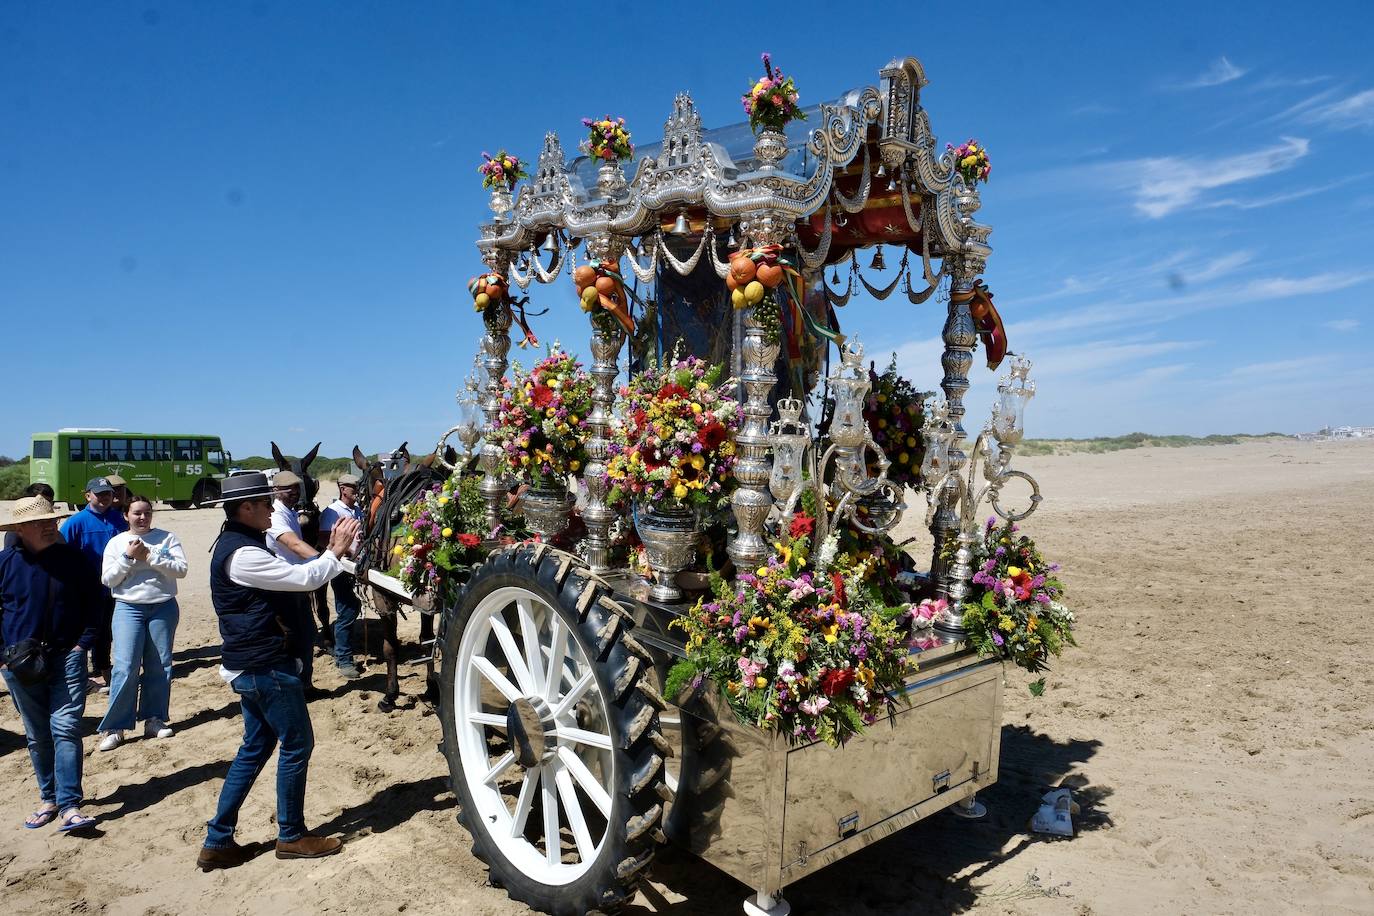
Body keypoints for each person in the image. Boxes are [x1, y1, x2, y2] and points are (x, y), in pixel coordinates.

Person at [197, 472, 360, 870]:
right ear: (246, 508)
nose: (274, 509)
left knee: (255, 747)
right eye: (266, 503)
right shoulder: (243, 553)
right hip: (264, 665)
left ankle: (218, 839)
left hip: (252, 663)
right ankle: (291, 835)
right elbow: (305, 578)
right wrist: (335, 550)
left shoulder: (240, 543)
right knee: (297, 744)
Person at [0, 497, 100, 834]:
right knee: (38, 735)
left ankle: (70, 805)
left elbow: (96, 605)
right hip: (19, 664)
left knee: (66, 728)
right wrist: (3, 656)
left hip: (66, 657)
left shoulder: (75, 560)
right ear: (18, 529)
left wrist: (81, 645)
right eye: (39, 522)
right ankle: (49, 799)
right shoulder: (5, 563)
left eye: (51, 520)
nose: (48, 526)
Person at [96, 495, 187, 751]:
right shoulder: (116, 543)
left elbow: (180, 570)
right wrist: (128, 557)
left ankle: (154, 718)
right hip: (128, 608)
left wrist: (150, 557)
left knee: (160, 664)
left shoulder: (166, 538)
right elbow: (108, 580)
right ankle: (115, 727)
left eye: (147, 512)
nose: (143, 517)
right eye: (136, 513)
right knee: (125, 666)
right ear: (126, 515)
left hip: (163, 606)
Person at [59, 477, 128, 692]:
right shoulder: (75, 522)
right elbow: (62, 555)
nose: (105, 497)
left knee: (107, 630)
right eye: (99, 493)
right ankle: (85, 674)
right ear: (88, 495)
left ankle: (104, 670)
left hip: (115, 586)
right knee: (87, 631)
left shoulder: (119, 519)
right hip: (86, 589)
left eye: (108, 493)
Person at [264, 471, 320, 686]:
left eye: (297, 488)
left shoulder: (291, 512)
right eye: (288, 489)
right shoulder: (276, 515)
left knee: (307, 634)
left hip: (297, 585)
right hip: (285, 588)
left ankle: (305, 685)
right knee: (294, 638)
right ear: (275, 490)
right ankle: (294, 686)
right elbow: (294, 544)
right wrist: (326, 561)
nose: (294, 493)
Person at [318, 474, 364, 679]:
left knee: (350, 608)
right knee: (347, 609)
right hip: (342, 567)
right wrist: (343, 551)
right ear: (342, 488)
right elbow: (322, 538)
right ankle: (344, 659)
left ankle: (342, 653)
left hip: (356, 564)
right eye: (353, 488)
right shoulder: (332, 511)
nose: (357, 491)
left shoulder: (357, 510)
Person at [3, 483, 60, 551]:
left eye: (49, 502)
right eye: (41, 501)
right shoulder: (14, 535)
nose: (46, 505)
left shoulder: (56, 535)